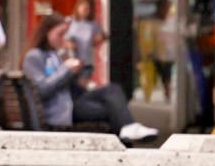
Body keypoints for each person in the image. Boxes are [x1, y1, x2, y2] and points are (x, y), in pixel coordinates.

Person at [24, 14, 158, 144]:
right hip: (61, 110)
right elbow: (43, 90)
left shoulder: (55, 54)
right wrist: (66, 70)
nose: (63, 38)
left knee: (112, 90)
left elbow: (69, 85)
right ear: (47, 32)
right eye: (60, 34)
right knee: (113, 111)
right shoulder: (34, 56)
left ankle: (128, 130)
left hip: (71, 102)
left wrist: (76, 74)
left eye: (65, 34)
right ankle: (127, 135)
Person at [66, 0, 106, 74]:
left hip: (86, 63)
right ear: (77, 7)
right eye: (83, 7)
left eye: (87, 9)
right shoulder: (69, 21)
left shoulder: (93, 24)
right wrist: (68, 43)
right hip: (70, 62)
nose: (85, 10)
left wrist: (100, 38)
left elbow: (103, 35)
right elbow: (60, 39)